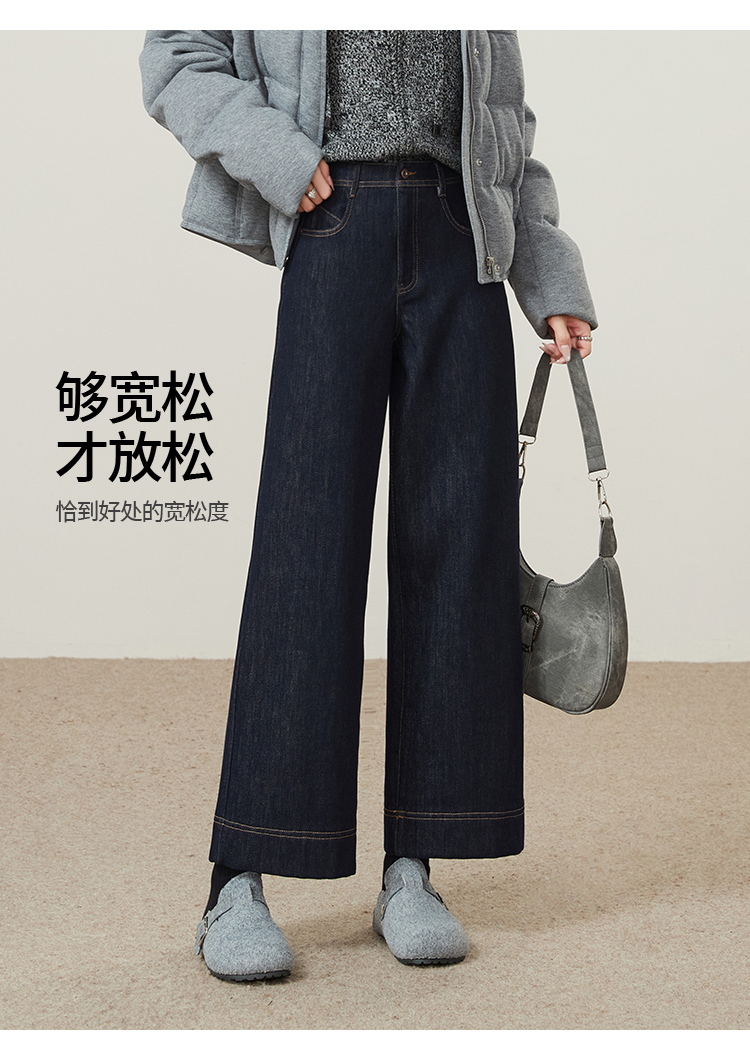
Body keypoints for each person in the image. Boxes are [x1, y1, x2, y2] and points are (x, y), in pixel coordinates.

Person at [139, 29, 596, 981]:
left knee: (458, 554)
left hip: (463, 242)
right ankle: (238, 876)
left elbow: (504, 123)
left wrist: (549, 273)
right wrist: (278, 154)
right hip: (331, 221)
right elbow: (179, 56)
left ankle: (412, 867)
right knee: (306, 551)